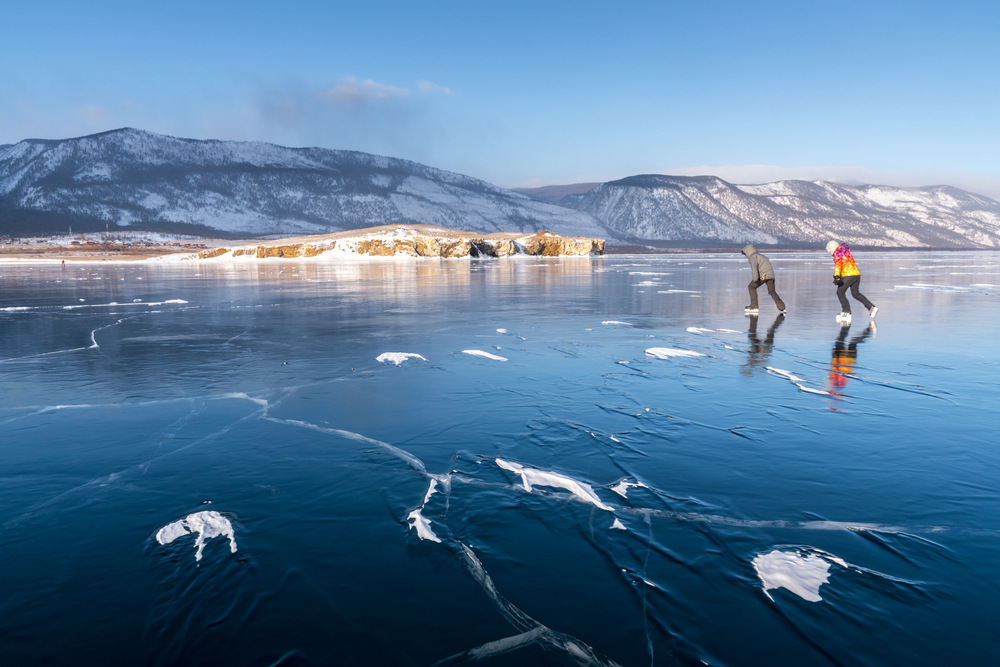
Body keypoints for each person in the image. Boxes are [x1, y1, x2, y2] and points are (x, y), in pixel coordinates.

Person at [826, 240, 878, 322]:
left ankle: (846, 312)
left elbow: (838, 265)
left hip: (848, 275)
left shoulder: (837, 254)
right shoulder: (847, 253)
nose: (829, 252)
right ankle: (871, 307)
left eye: (829, 250)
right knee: (856, 294)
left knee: (840, 292)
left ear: (832, 248)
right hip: (856, 275)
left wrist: (837, 276)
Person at [741, 244, 786, 313]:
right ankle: (782, 307)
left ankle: (754, 306)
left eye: (745, 254)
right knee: (772, 292)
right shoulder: (762, 256)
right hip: (771, 276)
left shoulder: (753, 257)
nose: (745, 256)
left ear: (747, 252)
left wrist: (755, 279)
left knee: (751, 287)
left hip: (763, 276)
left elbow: (754, 268)